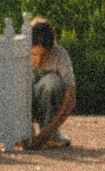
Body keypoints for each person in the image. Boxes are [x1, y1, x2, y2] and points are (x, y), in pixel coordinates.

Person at [28, 18, 78, 148]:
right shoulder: (20, 53)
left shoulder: (60, 55)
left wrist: (47, 132)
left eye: (44, 55)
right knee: (22, 83)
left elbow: (70, 97)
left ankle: (51, 136)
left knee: (52, 81)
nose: (38, 61)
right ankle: (23, 132)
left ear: (52, 48)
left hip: (48, 103)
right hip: (26, 104)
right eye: (34, 55)